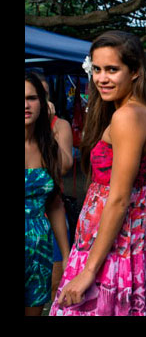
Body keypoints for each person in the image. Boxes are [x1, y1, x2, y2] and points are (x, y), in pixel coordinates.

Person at [49, 30, 146, 316]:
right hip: (112, 242)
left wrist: (88, 272)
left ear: (135, 72)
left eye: (112, 69)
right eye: (97, 69)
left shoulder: (128, 116)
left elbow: (120, 198)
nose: (101, 78)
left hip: (112, 247)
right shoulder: (138, 111)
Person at [25, 72, 71, 316]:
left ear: (43, 104)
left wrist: (65, 255)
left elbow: (53, 204)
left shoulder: (48, 147)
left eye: (31, 98)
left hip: (39, 248)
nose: (25, 105)